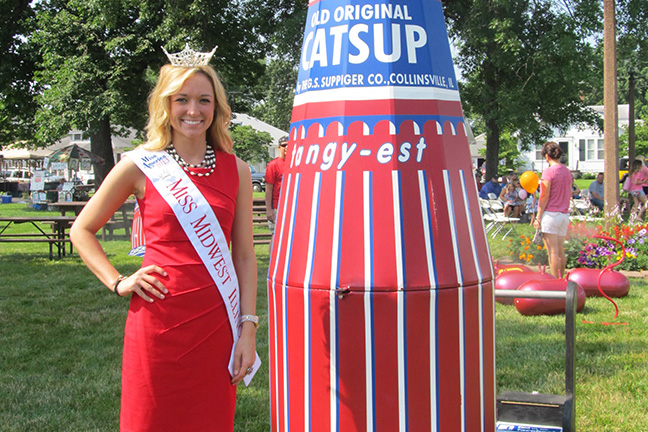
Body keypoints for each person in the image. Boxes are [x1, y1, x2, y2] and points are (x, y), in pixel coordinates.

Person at [69, 48, 258, 432]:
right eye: (182, 100)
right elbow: (81, 229)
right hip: (158, 320)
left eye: (204, 100)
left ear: (216, 107)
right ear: (166, 106)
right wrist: (118, 280)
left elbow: (243, 255)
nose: (193, 110)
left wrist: (248, 328)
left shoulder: (235, 169)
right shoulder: (140, 164)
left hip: (217, 322)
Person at [534, 141, 573, 278]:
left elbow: (544, 195)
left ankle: (556, 281)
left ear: (547, 156)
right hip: (564, 214)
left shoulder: (548, 171)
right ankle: (561, 278)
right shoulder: (567, 172)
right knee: (560, 250)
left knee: (553, 252)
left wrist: (538, 216)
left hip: (551, 214)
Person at [265, 135, 288, 230]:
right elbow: (268, 189)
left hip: (291, 206)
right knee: (275, 238)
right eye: (284, 145)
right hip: (277, 206)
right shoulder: (272, 165)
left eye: (289, 145)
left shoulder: (295, 164)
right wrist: (269, 210)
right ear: (279, 147)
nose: (287, 147)